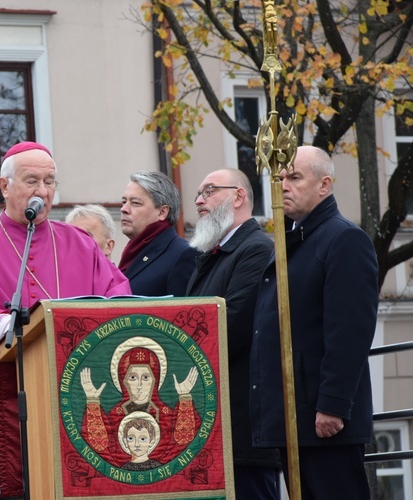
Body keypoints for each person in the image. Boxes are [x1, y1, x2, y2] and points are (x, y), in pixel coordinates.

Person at [0, 141, 131, 498]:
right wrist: (36, 331)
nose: (42, 192)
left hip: (83, 396)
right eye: (31, 181)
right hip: (9, 402)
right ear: (4, 186)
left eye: (50, 182)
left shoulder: (80, 243)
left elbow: (117, 300)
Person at [250, 146, 379, 499]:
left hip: (322, 420)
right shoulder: (295, 241)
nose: (283, 186)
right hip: (294, 416)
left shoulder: (343, 239)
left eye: (294, 177)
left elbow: (350, 330)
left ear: (324, 185)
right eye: (279, 179)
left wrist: (333, 405)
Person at [185, 169, 280, 498]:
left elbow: (234, 324)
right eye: (198, 193)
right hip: (214, 425)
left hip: (243, 428)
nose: (199, 200)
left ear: (238, 196)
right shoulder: (212, 257)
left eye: (208, 191)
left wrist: (182, 350)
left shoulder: (255, 249)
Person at [80, 336, 199, 467]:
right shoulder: (116, 413)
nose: (139, 385)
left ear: (155, 379)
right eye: (133, 377)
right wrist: (92, 401)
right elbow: (101, 448)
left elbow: (181, 444)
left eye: (146, 377)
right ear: (123, 380)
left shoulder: (165, 413)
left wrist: (184, 396)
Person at [119, 171, 197, 296]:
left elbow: (183, 312)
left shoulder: (183, 254)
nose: (124, 209)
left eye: (135, 203)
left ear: (162, 212)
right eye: (124, 202)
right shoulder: (133, 251)